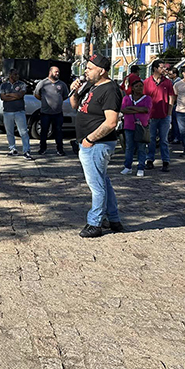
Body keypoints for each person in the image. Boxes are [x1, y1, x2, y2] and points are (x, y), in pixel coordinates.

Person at [70, 53, 124, 238]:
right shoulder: (91, 87)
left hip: (97, 144)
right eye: (86, 67)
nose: (86, 71)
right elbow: (75, 106)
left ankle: (95, 223)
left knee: (97, 185)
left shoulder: (110, 90)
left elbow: (111, 122)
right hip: (91, 144)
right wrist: (75, 91)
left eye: (90, 68)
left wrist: (90, 139)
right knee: (103, 182)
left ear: (102, 71)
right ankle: (113, 219)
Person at [143, 60, 176, 172]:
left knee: (164, 140)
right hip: (151, 116)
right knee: (151, 139)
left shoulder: (167, 82)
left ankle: (165, 161)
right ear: (155, 68)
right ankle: (150, 160)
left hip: (164, 115)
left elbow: (172, 97)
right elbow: (143, 98)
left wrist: (169, 112)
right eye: (162, 67)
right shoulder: (147, 82)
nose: (164, 70)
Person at [34, 66, 69, 156]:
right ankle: (42, 149)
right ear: (50, 72)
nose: (57, 73)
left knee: (58, 131)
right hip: (45, 113)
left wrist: (57, 101)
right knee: (44, 131)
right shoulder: (43, 83)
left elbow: (65, 96)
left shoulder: (62, 84)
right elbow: (37, 94)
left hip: (58, 113)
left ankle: (60, 149)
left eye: (58, 72)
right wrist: (44, 101)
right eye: (55, 72)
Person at [120, 79, 151, 177]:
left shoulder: (147, 98)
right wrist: (137, 110)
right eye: (137, 86)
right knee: (129, 147)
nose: (139, 88)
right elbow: (124, 109)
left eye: (141, 86)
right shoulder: (126, 98)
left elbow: (146, 109)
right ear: (132, 88)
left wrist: (131, 108)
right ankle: (127, 166)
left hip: (142, 126)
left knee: (141, 147)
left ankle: (141, 167)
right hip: (129, 126)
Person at [0, 68, 32, 159]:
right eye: (15, 74)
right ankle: (12, 148)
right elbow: (2, 97)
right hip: (7, 112)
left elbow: (20, 95)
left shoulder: (22, 84)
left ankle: (26, 150)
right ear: (10, 75)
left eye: (17, 74)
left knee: (23, 132)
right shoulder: (4, 85)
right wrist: (14, 95)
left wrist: (9, 94)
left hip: (19, 111)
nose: (17, 76)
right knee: (9, 132)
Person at [169, 67, 182, 144]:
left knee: (176, 122)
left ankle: (177, 137)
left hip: (177, 104)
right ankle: (174, 136)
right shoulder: (172, 81)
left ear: (175, 74)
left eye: (170, 74)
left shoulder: (178, 82)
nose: (169, 75)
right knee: (173, 122)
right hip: (174, 103)